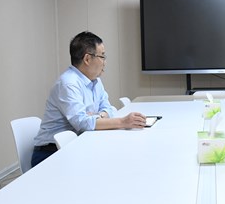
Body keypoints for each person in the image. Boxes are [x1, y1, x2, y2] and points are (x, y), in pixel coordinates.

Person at [31, 31, 147, 167]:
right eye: (102, 56)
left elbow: (109, 108)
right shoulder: (68, 83)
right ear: (87, 59)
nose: (105, 62)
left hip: (77, 144)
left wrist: (97, 116)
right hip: (50, 154)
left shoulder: (95, 81)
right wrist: (122, 122)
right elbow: (82, 122)